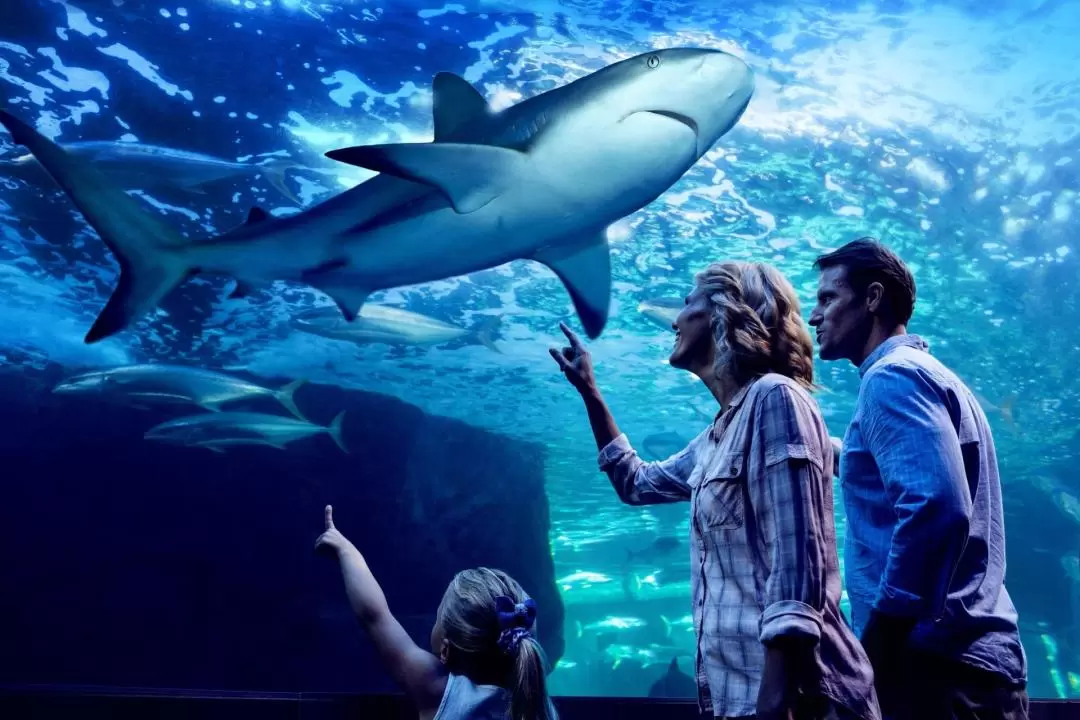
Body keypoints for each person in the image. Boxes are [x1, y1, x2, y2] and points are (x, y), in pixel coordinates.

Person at [550, 261, 879, 720]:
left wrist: (773, 702)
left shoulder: (776, 399)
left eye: (688, 305)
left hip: (801, 704)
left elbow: (797, 562)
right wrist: (590, 392)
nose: (676, 319)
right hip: (739, 702)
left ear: (724, 314)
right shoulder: (719, 435)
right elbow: (636, 483)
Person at [808, 238, 1028, 720]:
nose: (813, 316)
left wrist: (880, 643)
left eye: (828, 298)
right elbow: (902, 480)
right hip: (968, 659)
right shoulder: (930, 375)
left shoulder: (892, 379)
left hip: (935, 665)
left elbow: (937, 510)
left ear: (872, 298)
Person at [314, 505, 558, 720]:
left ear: (445, 650)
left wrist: (345, 550)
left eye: (438, 616)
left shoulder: (438, 691)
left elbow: (375, 615)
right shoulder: (539, 707)